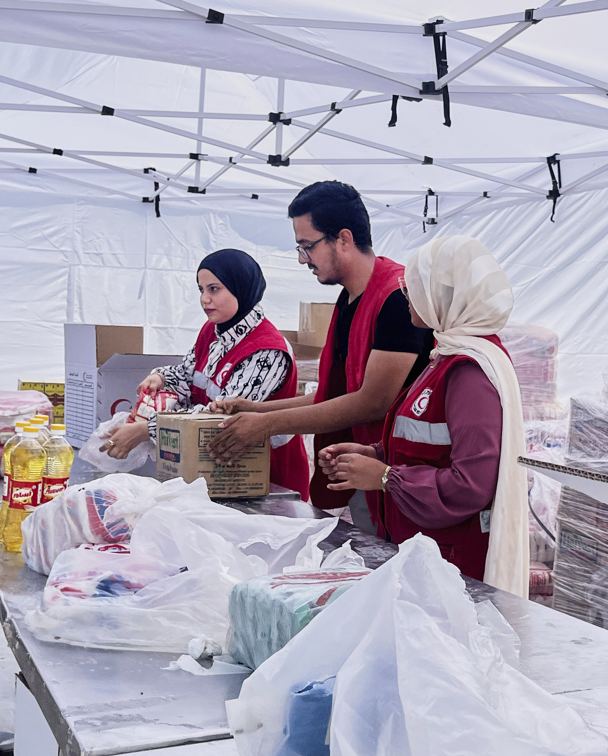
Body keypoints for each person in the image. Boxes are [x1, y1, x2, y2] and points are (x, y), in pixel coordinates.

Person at [208, 181, 433, 525]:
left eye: (307, 246)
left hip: (403, 481)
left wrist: (265, 423)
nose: (302, 259)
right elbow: (335, 396)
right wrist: (257, 408)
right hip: (362, 473)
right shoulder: (348, 299)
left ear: (342, 239)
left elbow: (372, 401)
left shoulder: (395, 298)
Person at [316, 235, 529, 597]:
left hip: (451, 570)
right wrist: (376, 455)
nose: (406, 295)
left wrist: (386, 477)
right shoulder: (444, 356)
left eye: (414, 286)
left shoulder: (469, 372)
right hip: (427, 555)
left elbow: (471, 484)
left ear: (445, 295)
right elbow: (431, 443)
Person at [100, 249, 310, 499]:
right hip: (215, 473)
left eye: (214, 289)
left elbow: (220, 419)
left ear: (240, 287)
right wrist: (163, 377)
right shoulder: (213, 331)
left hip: (266, 482)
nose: (204, 299)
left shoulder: (266, 351)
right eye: (201, 290)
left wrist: (145, 430)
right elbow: (189, 376)